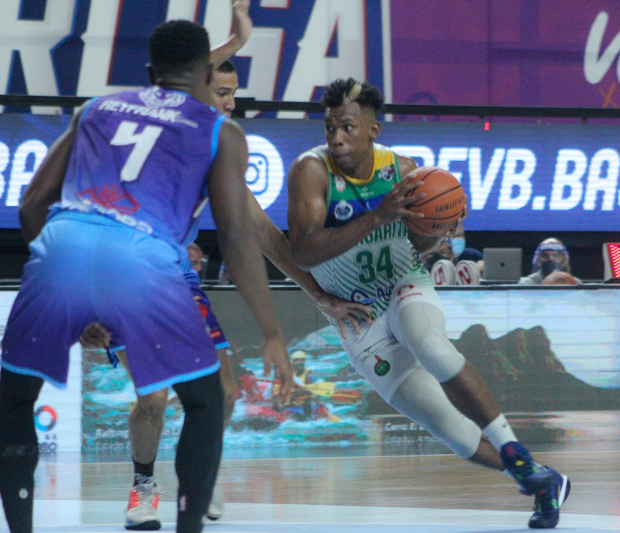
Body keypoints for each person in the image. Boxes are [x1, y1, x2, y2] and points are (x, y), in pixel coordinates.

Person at [0, 19, 294, 533]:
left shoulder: (96, 108)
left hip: (60, 249)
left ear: (150, 70)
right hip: (142, 262)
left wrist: (70, 290)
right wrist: (271, 330)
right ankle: (184, 519)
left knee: (14, 399)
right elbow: (236, 236)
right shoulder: (220, 132)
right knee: (206, 402)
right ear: (206, 74)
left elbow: (30, 206)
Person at [79, 59, 370, 530]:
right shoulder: (149, 140)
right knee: (153, 397)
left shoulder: (217, 150)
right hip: (123, 280)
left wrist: (317, 293)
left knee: (225, 393)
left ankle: (200, 472)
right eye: (222, 93)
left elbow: (264, 235)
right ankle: (143, 486)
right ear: (195, 91)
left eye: (235, 93)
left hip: (177, 281)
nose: (232, 104)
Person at [286, 78, 570, 529]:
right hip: (357, 318)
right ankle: (544, 480)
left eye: (347, 128)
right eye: (329, 128)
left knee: (428, 343)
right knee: (450, 430)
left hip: (402, 283)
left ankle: (514, 450)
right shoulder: (310, 170)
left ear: (373, 130)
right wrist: (378, 216)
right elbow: (302, 251)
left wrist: (440, 227)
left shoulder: (404, 170)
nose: (336, 138)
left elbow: (418, 243)